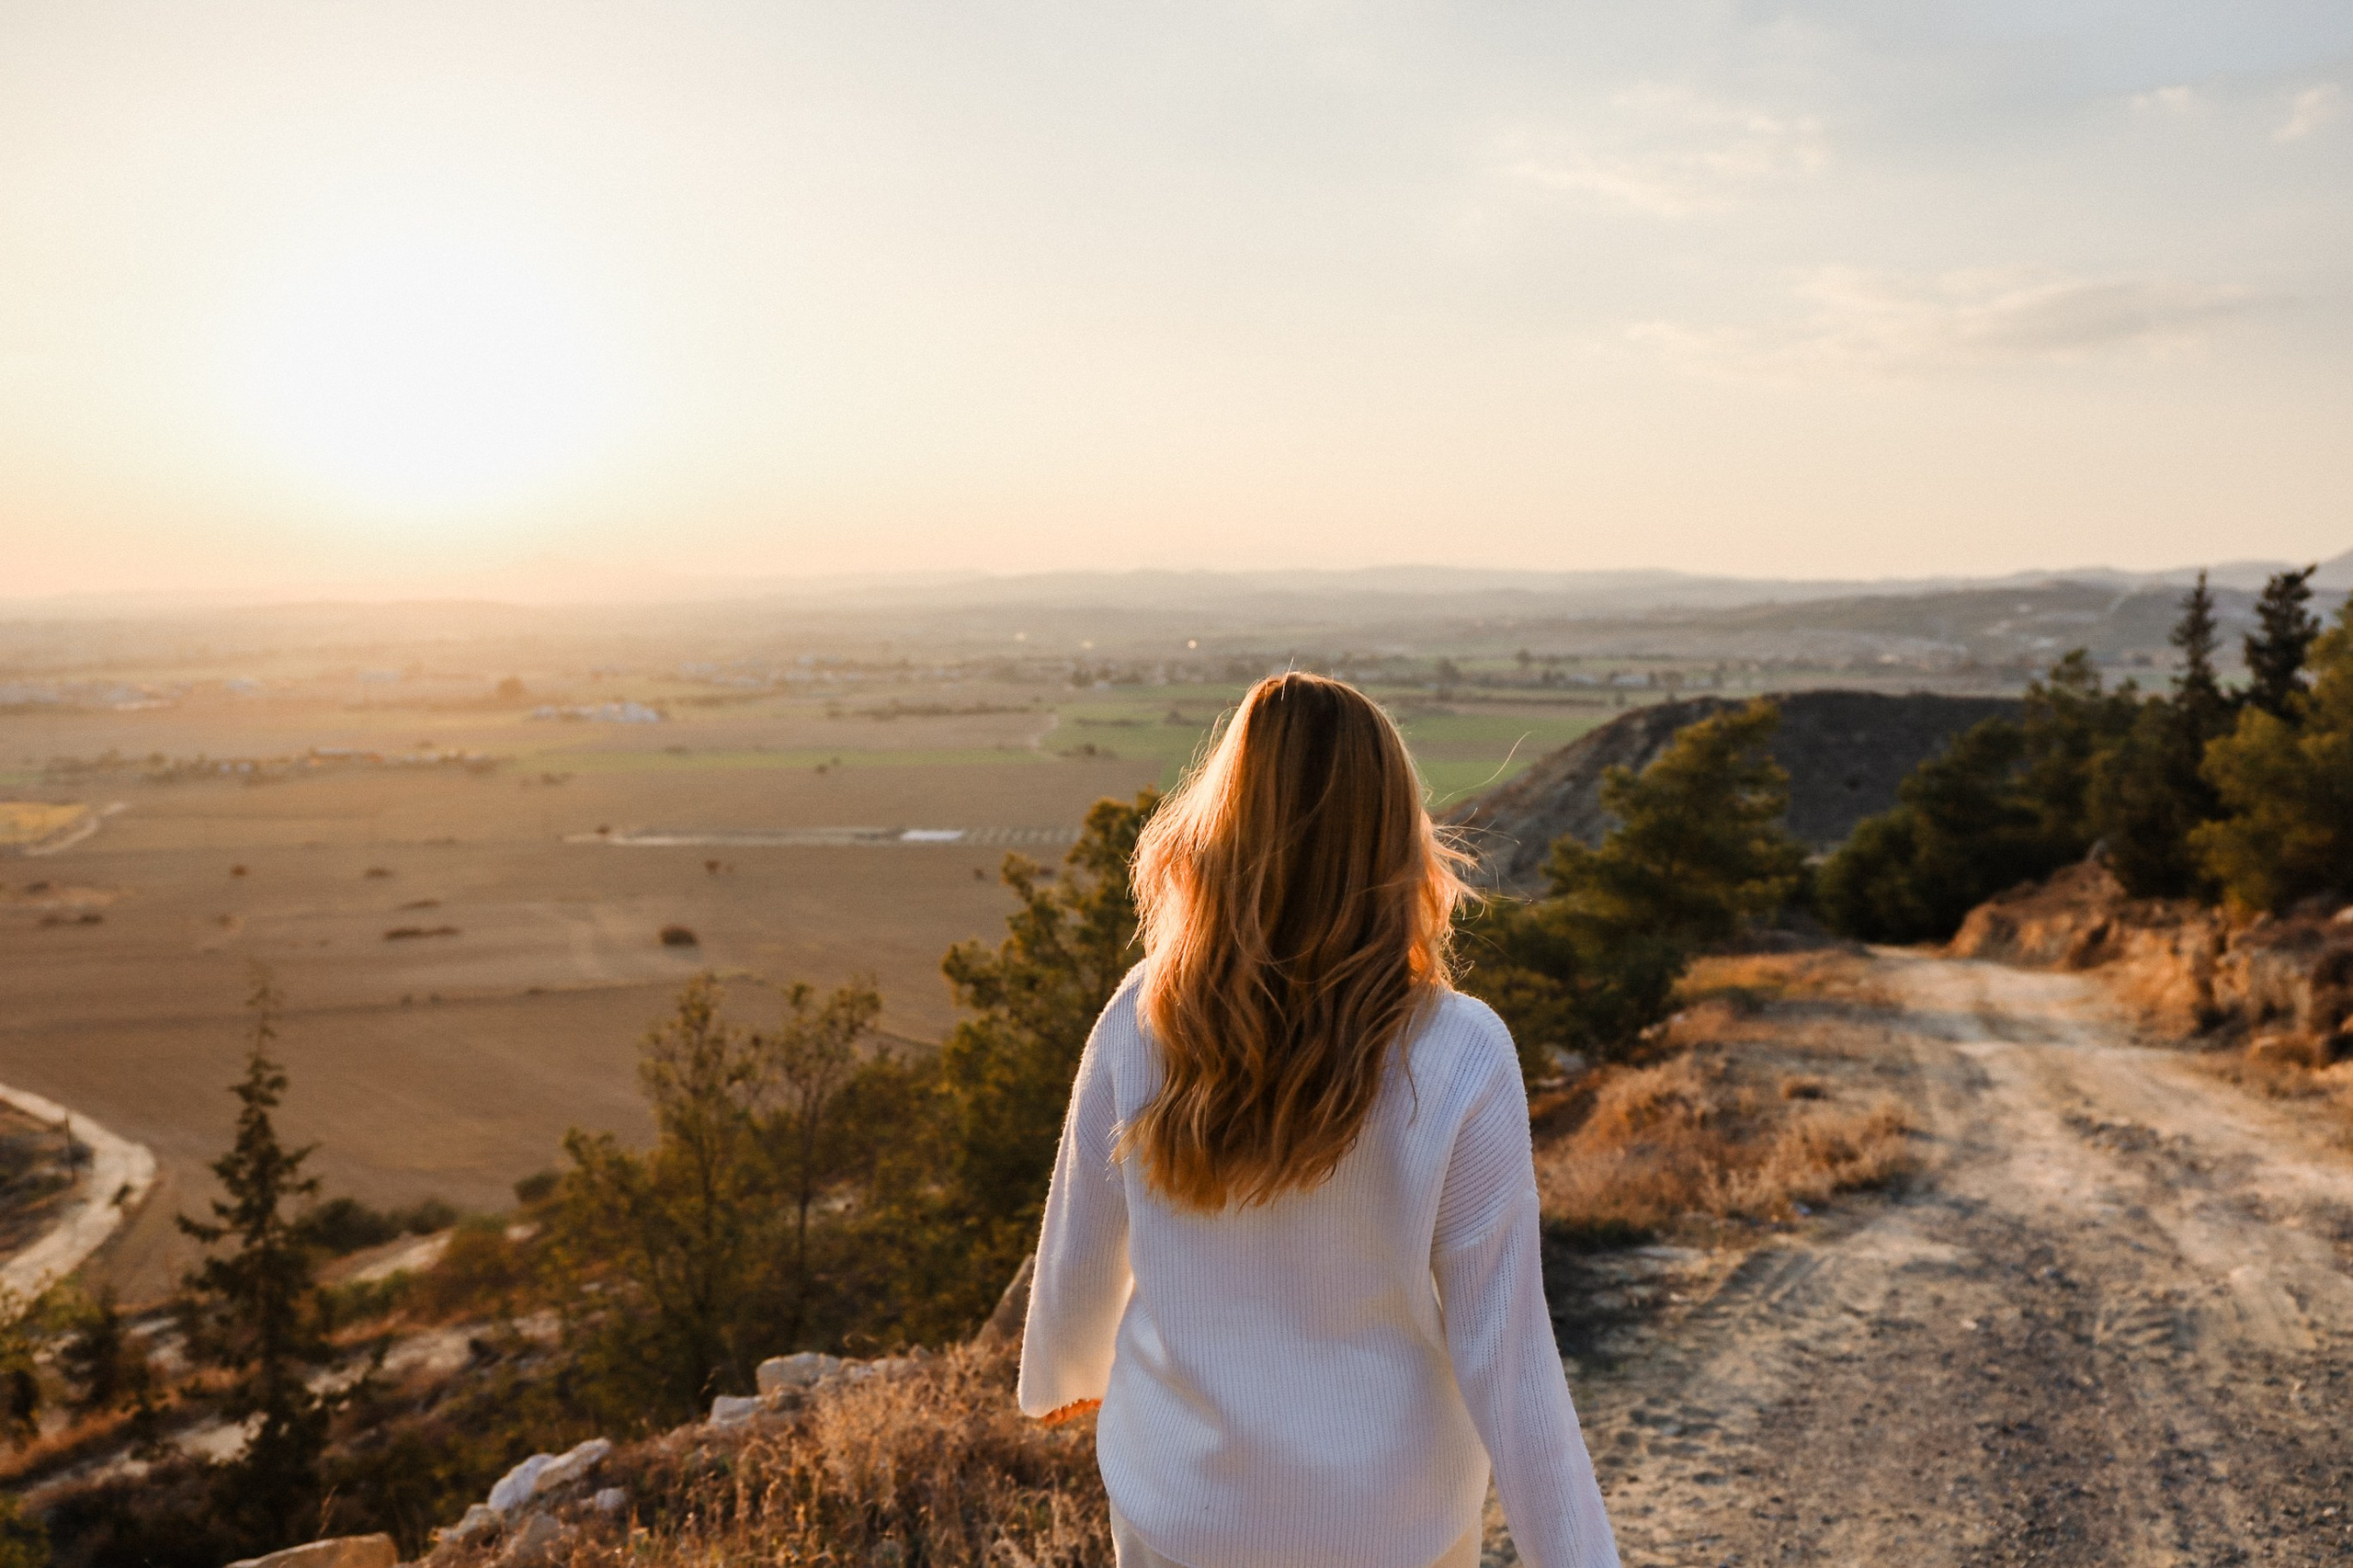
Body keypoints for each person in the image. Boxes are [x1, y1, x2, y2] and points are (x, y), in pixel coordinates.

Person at [1018, 673, 1619, 1568]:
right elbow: (1508, 1346)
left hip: (1182, 1509)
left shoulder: (1145, 1014)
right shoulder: (1459, 1049)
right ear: (1395, 838)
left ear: (1220, 830)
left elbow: (1081, 1241)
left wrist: (1061, 1375)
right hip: (1387, 1523)